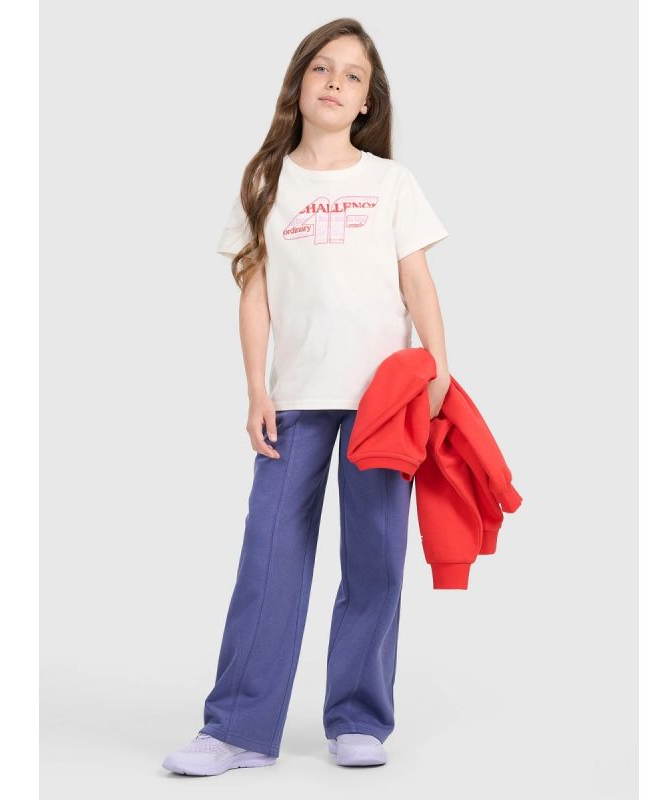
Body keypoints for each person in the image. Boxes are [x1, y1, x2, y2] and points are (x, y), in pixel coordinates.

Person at [162, 16, 452, 777]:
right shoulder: (267, 181)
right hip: (294, 399)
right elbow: (253, 292)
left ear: (367, 101)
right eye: (322, 68)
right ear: (298, 83)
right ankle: (237, 728)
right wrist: (255, 388)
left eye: (353, 75)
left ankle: (358, 718)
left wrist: (439, 366)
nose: (335, 82)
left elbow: (417, 280)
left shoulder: (391, 183)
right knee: (269, 557)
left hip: (383, 404)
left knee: (375, 559)